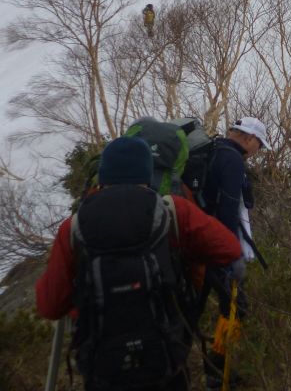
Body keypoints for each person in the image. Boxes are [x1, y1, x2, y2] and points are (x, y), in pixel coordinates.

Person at [36, 137, 242, 391]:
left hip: (103, 367)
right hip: (166, 356)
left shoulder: (73, 228)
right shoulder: (172, 212)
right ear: (148, 173)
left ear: (102, 176)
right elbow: (230, 249)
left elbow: (50, 306)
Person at [195, 117, 270, 390]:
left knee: (196, 307)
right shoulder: (232, 160)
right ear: (249, 138)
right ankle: (217, 374)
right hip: (214, 250)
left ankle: (209, 371)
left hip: (196, 244)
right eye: (259, 145)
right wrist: (229, 255)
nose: (258, 151)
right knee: (236, 307)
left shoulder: (213, 150)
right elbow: (227, 210)